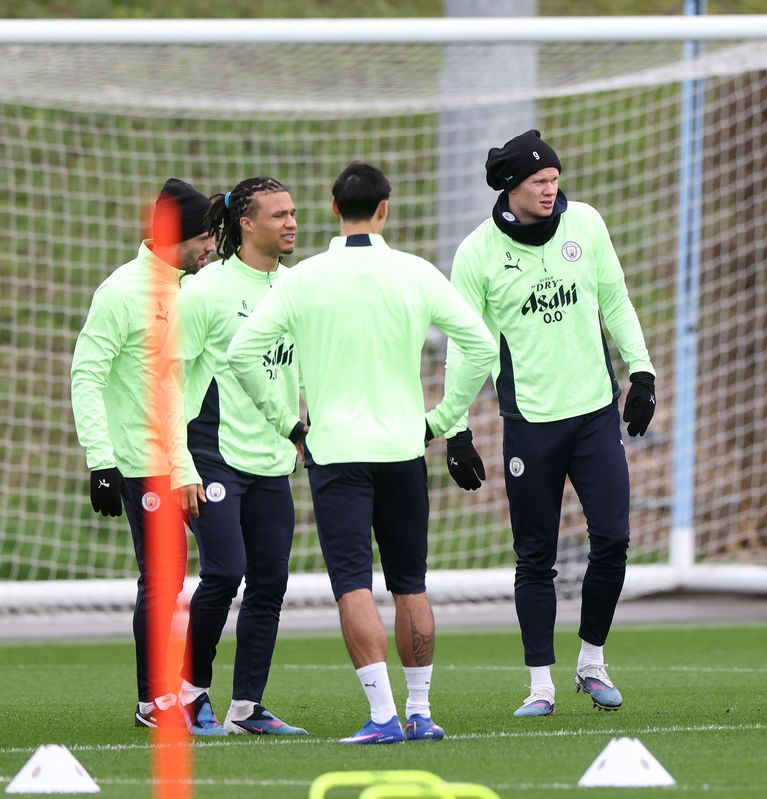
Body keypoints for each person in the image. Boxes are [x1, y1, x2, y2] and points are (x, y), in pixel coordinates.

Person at [227, 162, 496, 744]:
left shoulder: (302, 279)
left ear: (332, 208)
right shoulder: (415, 272)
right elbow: (480, 344)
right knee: (410, 583)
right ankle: (420, 712)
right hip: (403, 448)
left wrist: (288, 426)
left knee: (353, 585)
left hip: (337, 454)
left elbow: (241, 353)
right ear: (384, 209)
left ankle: (382, 716)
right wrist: (442, 419)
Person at [444, 129, 657, 718]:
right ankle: (540, 685)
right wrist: (456, 428)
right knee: (534, 557)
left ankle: (592, 663)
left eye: (554, 179)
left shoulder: (585, 223)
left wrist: (641, 371)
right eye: (539, 181)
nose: (549, 189)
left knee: (612, 539)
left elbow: (615, 300)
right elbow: (463, 347)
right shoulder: (476, 253)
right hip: (530, 423)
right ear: (511, 186)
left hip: (594, 414)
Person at [70, 178, 213, 728]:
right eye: (203, 236)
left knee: (228, 569)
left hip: (192, 458)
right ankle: (154, 701)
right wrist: (101, 461)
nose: (211, 246)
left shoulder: (194, 290)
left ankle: (203, 695)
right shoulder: (121, 292)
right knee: (164, 578)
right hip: (141, 462)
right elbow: (87, 375)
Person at [167, 176, 307, 737]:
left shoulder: (297, 288)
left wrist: (305, 430)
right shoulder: (205, 291)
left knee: (269, 583)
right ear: (246, 224)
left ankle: (247, 707)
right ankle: (188, 693)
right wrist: (179, 464)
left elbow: (301, 370)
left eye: (293, 212)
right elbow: (168, 381)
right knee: (225, 571)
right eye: (279, 215)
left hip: (272, 458)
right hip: (212, 453)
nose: (291, 223)